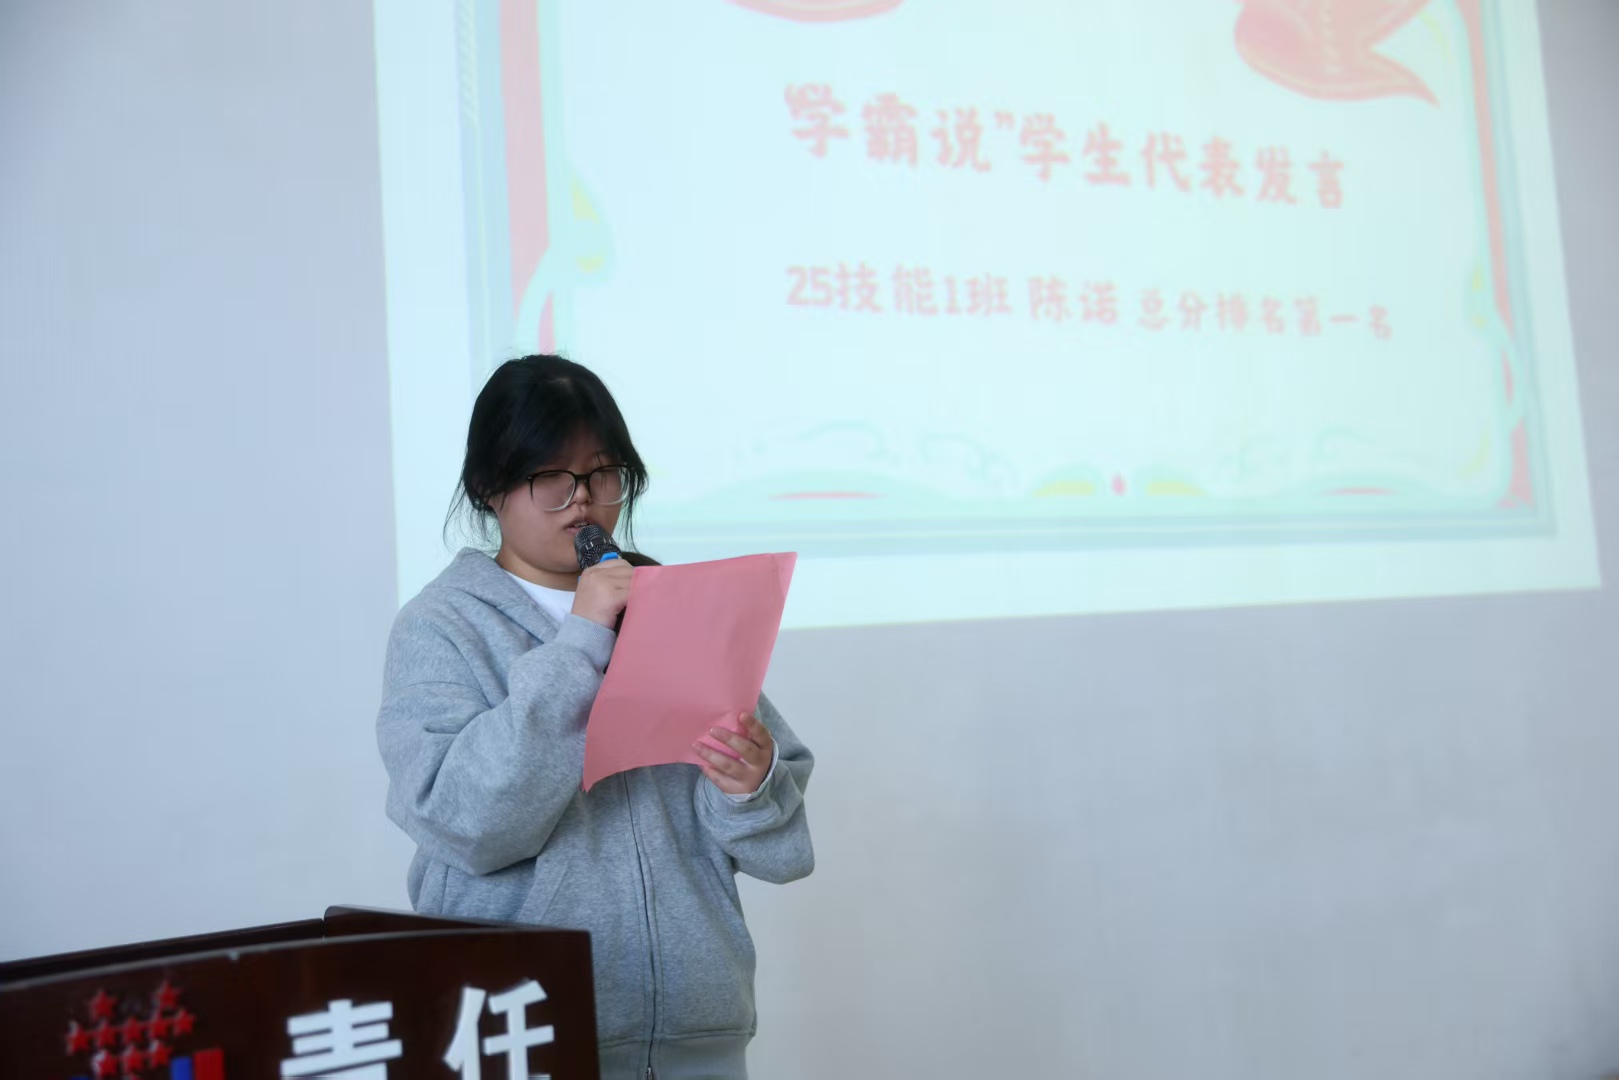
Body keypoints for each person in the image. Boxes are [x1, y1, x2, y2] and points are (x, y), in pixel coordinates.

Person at [376, 355, 814, 1079]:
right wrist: (580, 640)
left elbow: (783, 855)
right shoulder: (440, 627)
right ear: (489, 485)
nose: (582, 500)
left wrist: (749, 785)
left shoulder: (670, 605)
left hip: (695, 1034)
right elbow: (467, 823)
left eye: (603, 475)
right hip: (525, 1034)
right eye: (552, 477)